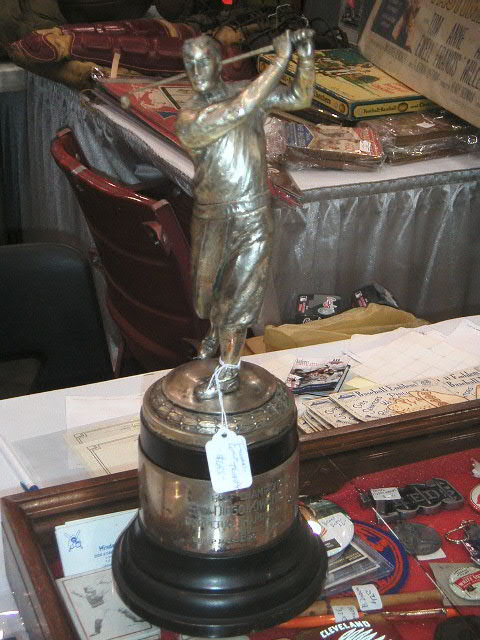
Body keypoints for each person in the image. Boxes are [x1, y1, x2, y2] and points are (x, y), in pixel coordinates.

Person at [175, 28, 315, 399]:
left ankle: (228, 370)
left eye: (203, 61)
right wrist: (280, 61)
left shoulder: (244, 93)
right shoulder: (189, 117)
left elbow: (300, 96)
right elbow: (240, 109)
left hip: (252, 212)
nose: (196, 70)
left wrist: (305, 56)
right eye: (190, 63)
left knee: (238, 295)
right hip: (211, 217)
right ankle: (215, 332)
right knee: (207, 294)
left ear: (218, 62)